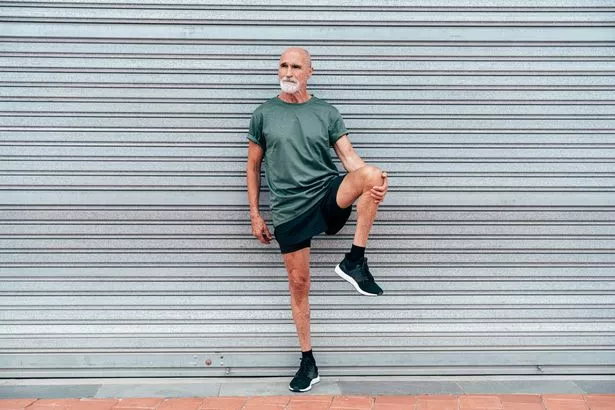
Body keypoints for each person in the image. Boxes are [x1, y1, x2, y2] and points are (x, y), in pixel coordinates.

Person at [246, 47, 389, 392]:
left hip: (325, 195)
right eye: (283, 65)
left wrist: (373, 183)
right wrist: (255, 214)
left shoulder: (326, 112)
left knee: (373, 175)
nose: (288, 72)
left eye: (296, 66)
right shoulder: (263, 114)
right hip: (288, 209)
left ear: (310, 72)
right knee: (299, 284)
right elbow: (252, 167)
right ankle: (308, 361)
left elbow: (350, 159)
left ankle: (355, 261)